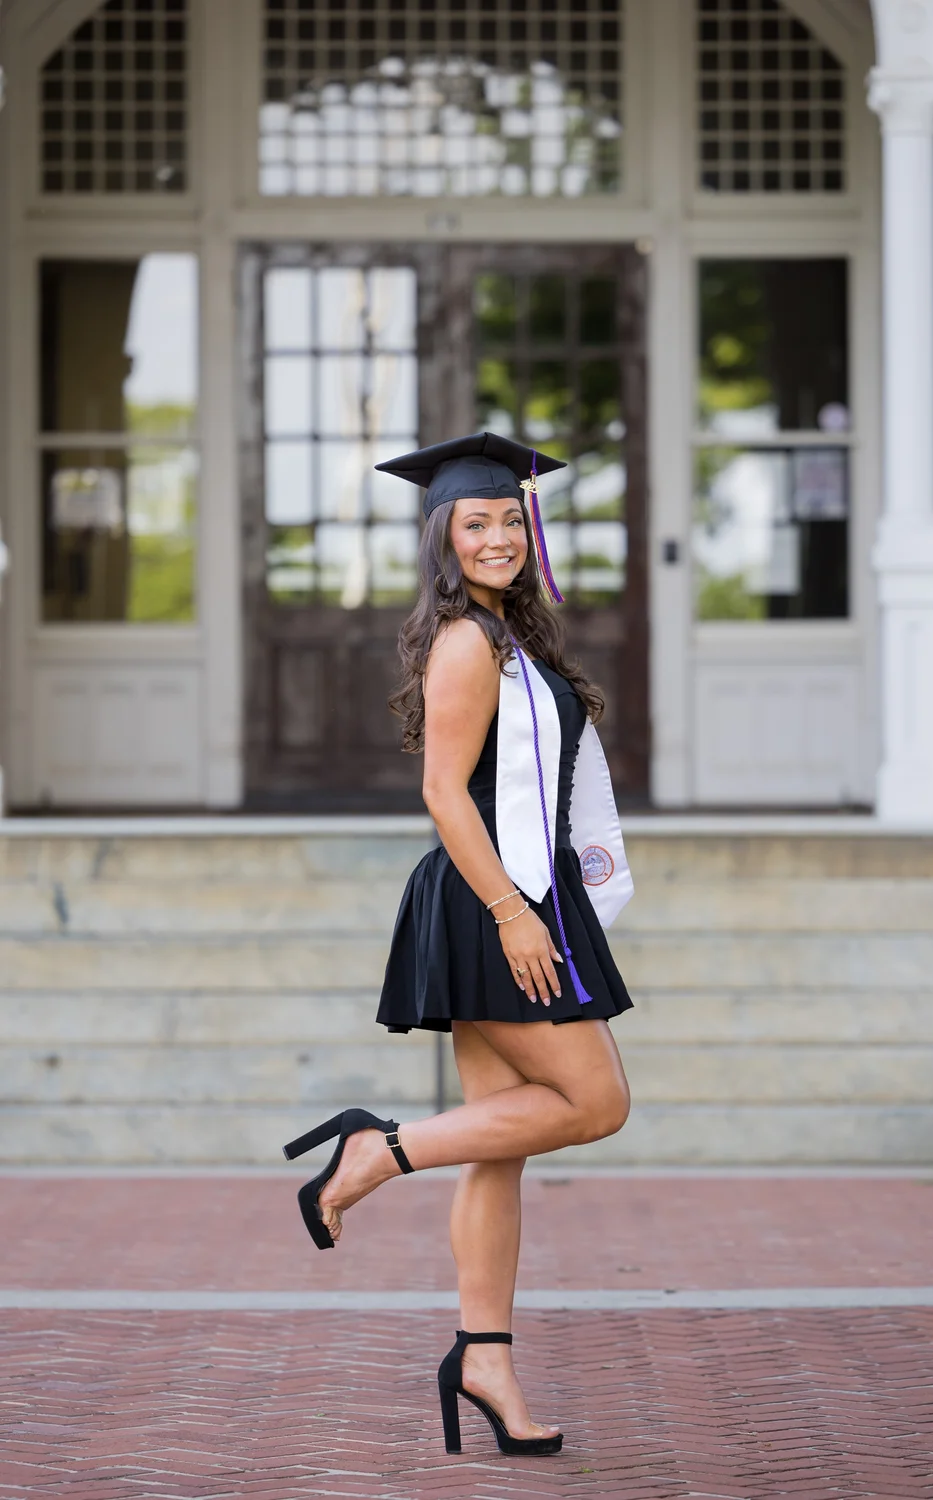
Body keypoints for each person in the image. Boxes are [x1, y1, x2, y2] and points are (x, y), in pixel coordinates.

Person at [283, 433, 635, 1458]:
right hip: (496, 899)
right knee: (596, 1103)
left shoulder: (508, 637)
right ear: (442, 537)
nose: (497, 536)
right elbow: (444, 790)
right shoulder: (466, 644)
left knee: (505, 1138)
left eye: (510, 520)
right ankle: (375, 1151)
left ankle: (484, 1357)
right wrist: (514, 914)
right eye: (475, 523)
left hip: (524, 890)